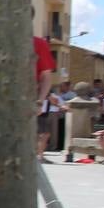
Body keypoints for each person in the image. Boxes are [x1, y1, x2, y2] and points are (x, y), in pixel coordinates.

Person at [33, 33, 56, 161]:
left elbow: (46, 76)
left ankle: (39, 156)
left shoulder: (39, 43)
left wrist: (40, 101)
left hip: (27, 99)